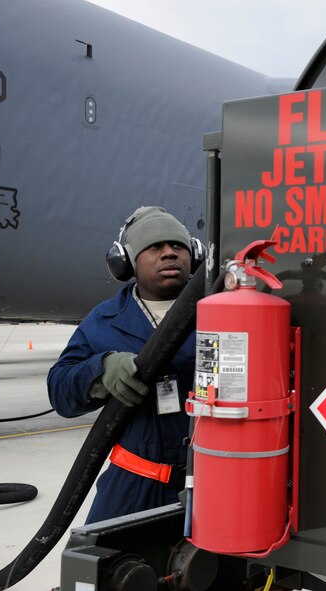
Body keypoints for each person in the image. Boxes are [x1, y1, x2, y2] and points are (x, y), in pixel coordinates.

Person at [48, 206, 198, 523]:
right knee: (101, 565)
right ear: (126, 262)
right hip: (134, 485)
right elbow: (60, 390)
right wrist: (102, 371)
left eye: (178, 246)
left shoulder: (221, 310)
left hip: (213, 481)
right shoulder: (104, 321)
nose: (169, 254)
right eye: (155, 247)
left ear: (193, 255)